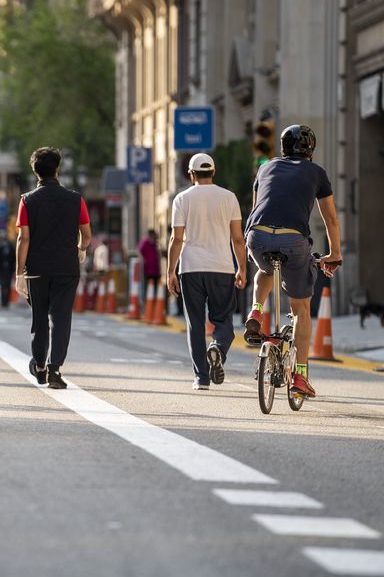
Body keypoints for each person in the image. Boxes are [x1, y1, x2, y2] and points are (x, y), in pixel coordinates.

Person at [243, 124, 342, 398]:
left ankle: (255, 312)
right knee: (301, 311)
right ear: (310, 150)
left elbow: (256, 209)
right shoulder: (316, 172)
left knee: (264, 269)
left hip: (257, 236)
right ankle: (300, 375)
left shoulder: (264, 167)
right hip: (293, 239)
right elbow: (330, 218)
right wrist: (334, 253)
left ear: (283, 148)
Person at [165, 153, 246, 391]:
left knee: (195, 324)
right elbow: (238, 239)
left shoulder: (182, 199)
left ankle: (201, 378)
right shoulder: (229, 197)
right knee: (223, 319)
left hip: (191, 268)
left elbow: (176, 238)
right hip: (222, 267)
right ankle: (218, 348)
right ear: (214, 172)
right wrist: (242, 268)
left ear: (191, 175)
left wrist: (170, 271)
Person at [16, 148, 91, 390]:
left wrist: (19, 273)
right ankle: (55, 369)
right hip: (67, 268)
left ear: (35, 171)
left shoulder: (27, 200)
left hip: (36, 268)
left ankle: (39, 366)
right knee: (61, 318)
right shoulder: (75, 199)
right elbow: (86, 234)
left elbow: (23, 239)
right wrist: (81, 249)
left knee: (39, 320)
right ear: (57, 169)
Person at [0, 234, 16, 308]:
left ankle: (7, 301)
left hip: (9, 270)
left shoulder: (11, 248)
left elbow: (14, 258)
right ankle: (2, 300)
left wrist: (14, 268)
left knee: (8, 285)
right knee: (2, 285)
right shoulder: (0, 248)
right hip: (1, 269)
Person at [138, 228, 160, 292]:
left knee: (155, 286)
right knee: (148, 286)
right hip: (148, 269)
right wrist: (143, 259)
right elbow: (139, 250)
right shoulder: (145, 242)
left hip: (155, 269)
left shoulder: (155, 244)